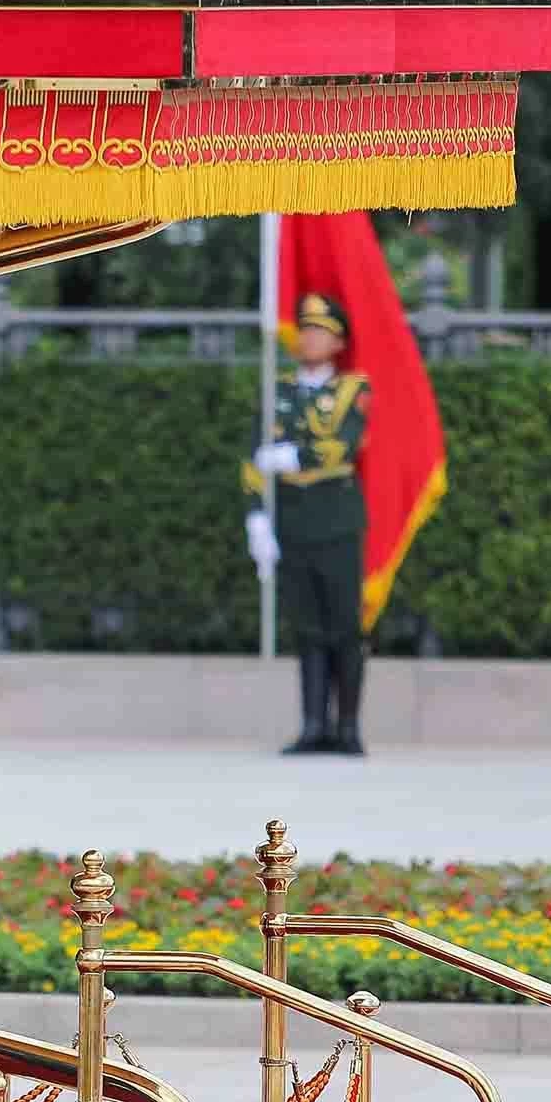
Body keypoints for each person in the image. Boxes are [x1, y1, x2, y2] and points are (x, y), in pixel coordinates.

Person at [247, 292, 373, 756]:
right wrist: (256, 515)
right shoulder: (277, 390)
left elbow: (344, 445)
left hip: (336, 520)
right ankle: (313, 725)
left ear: (338, 343)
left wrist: (293, 456)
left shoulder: (352, 390)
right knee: (308, 628)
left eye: (320, 332)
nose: (309, 339)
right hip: (293, 522)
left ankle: (349, 727)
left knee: (345, 627)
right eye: (305, 331)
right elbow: (252, 457)